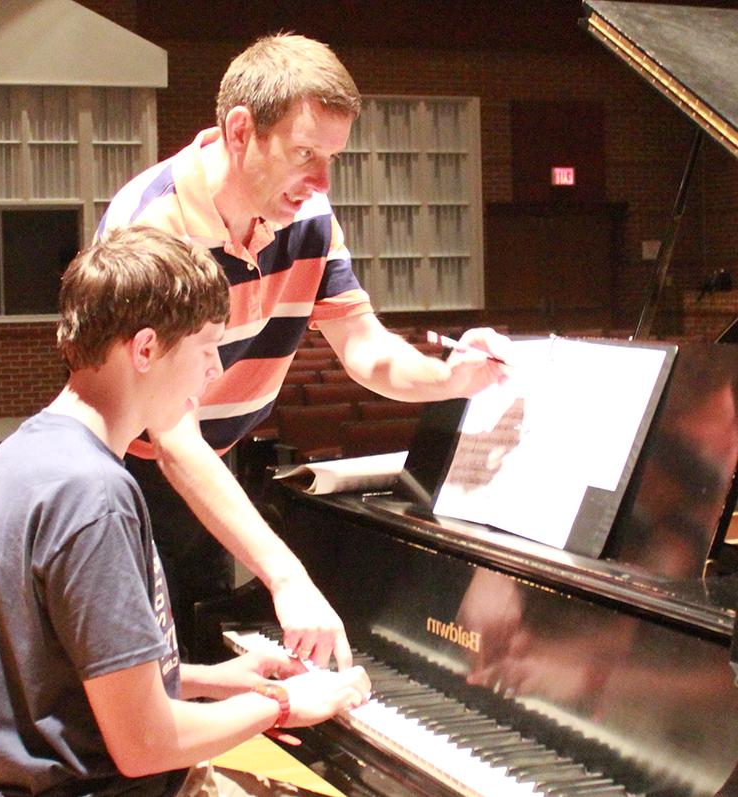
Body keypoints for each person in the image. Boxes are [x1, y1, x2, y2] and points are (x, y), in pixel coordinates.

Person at [97, 32, 512, 669]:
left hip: (211, 463)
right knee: (147, 686)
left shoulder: (308, 217)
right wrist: (288, 578)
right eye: (304, 154)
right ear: (241, 131)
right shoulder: (157, 225)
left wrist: (452, 378)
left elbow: (365, 348)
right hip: (126, 478)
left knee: (201, 657)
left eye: (332, 158)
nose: (320, 181)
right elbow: (172, 439)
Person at [0, 226, 371, 797]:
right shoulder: (94, 495)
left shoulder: (20, 456)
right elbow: (145, 742)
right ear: (145, 348)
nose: (215, 373)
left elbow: (55, 675)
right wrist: (280, 703)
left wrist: (209, 681)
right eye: (206, 350)